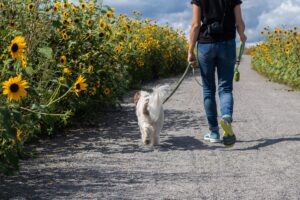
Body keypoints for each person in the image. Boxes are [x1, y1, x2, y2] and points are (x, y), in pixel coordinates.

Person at [188, 0, 247, 146]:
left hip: (206, 45)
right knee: (226, 87)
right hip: (227, 43)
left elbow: (195, 25)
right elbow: (239, 22)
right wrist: (242, 35)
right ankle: (226, 117)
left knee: (208, 90)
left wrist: (190, 50)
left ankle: (214, 132)